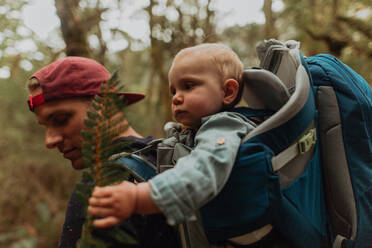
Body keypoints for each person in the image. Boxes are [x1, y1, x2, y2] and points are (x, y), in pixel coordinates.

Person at [88, 43, 281, 247]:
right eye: (173, 91)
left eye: (188, 86)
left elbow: (203, 170)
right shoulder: (195, 130)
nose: (177, 98)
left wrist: (139, 197)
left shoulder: (224, 127)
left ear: (228, 92)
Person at [26, 56, 180, 248]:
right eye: (45, 126)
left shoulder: (102, 190)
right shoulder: (169, 157)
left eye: (61, 119)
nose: (49, 140)